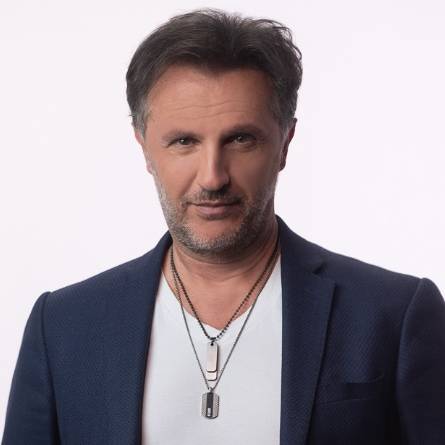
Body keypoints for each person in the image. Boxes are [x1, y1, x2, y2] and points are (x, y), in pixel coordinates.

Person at [2, 8, 444, 445]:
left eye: (240, 139)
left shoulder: (394, 314)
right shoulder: (62, 326)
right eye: (184, 141)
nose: (213, 177)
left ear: (285, 143)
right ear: (145, 148)